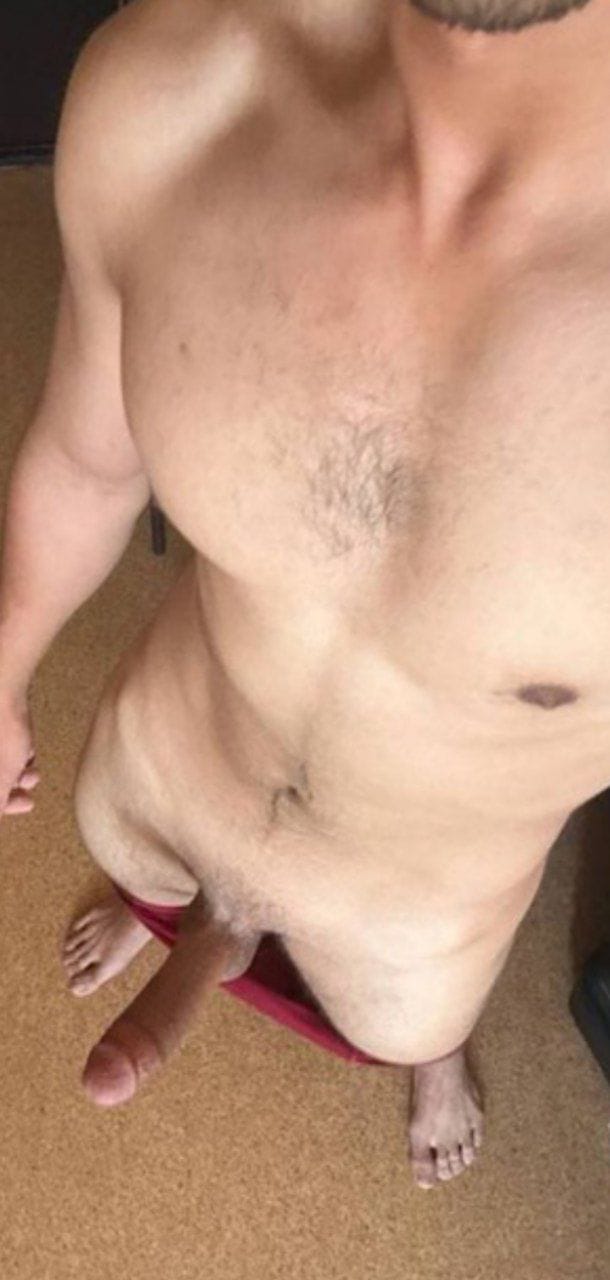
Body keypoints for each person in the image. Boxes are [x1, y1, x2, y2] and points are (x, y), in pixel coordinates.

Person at [1, 0, 608, 1192]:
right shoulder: (173, 90)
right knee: (143, 876)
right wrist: (3, 662)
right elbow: (84, 459)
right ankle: (165, 920)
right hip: (151, 787)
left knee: (414, 1029)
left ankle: (436, 1061)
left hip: (414, 938)